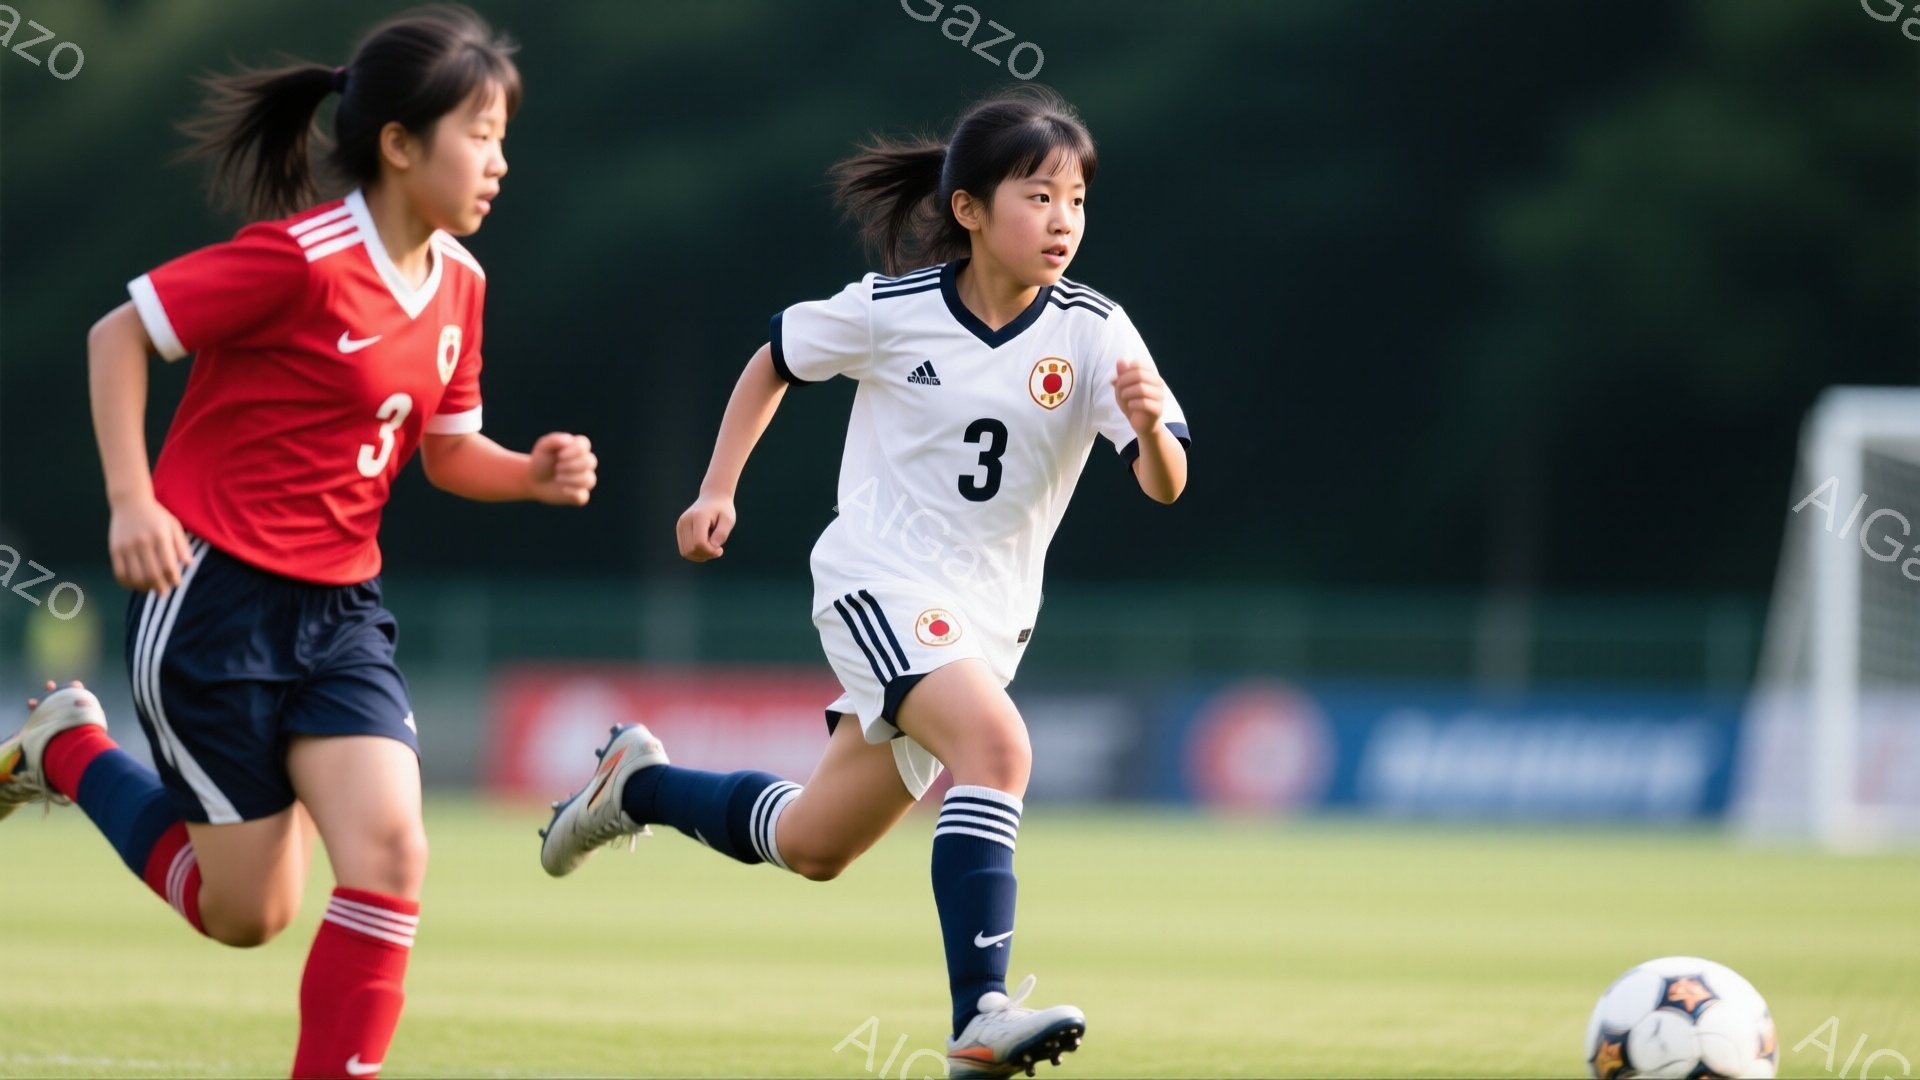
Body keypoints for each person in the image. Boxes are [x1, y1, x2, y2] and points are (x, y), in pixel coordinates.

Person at [538, 84, 1189, 1079]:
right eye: (1037, 196)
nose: (1063, 221)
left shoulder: (1097, 331)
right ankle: (982, 1012)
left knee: (814, 844)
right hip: (877, 581)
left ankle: (639, 786)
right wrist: (718, 490)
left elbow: (1165, 485)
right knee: (998, 748)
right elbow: (774, 359)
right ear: (968, 209)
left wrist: (1147, 428)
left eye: (1077, 200)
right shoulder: (892, 310)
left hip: (988, 625)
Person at [0, 7, 596, 1077]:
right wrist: (132, 501)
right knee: (248, 915)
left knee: (392, 855)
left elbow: (448, 450)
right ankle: (70, 752)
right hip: (212, 602)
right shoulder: (303, 260)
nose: (500, 160)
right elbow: (119, 333)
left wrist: (531, 477)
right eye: (481, 132)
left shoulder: (462, 284)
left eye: (505, 135)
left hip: (341, 616)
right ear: (401, 144)